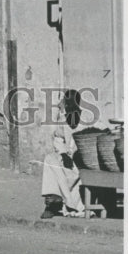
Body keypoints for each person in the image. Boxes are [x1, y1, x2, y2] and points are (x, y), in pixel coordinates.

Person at [40, 88, 84, 218]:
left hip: (80, 161)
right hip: (67, 158)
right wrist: (64, 154)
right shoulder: (63, 119)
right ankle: (53, 198)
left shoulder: (86, 118)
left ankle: (54, 203)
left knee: (64, 172)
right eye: (66, 103)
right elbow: (58, 138)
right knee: (50, 159)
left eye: (69, 103)